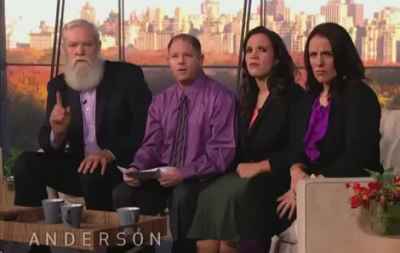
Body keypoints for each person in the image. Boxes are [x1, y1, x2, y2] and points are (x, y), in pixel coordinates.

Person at [237, 22, 384, 253]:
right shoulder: (312, 98)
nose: (319, 62)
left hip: (338, 184)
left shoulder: (358, 95)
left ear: (341, 55)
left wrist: (308, 186)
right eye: (313, 55)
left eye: (327, 54)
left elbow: (359, 157)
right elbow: (298, 148)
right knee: (259, 189)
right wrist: (296, 172)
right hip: (307, 180)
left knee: (261, 208)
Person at [13, 19, 152, 253]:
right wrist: (58, 132)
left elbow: (145, 126)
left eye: (86, 44)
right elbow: (47, 140)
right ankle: (36, 246)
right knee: (26, 164)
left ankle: (107, 247)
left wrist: (109, 154)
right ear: (65, 50)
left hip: (117, 165)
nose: (79, 51)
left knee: (93, 174)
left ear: (97, 47)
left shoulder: (126, 76)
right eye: (73, 45)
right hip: (77, 165)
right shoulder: (59, 86)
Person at [112, 34, 237, 253]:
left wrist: (183, 173)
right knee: (123, 192)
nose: (181, 61)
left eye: (187, 55)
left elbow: (221, 153)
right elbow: (151, 145)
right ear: (168, 61)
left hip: (203, 178)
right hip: (163, 177)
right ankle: (138, 249)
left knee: (183, 196)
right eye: (174, 56)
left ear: (201, 58)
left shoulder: (221, 97)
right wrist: (136, 168)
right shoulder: (160, 101)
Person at [188, 26, 305, 253]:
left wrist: (260, 167)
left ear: (277, 58)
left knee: (229, 197)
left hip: (274, 177)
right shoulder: (247, 97)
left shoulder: (294, 96)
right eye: (249, 50)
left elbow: (300, 149)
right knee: (208, 195)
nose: (253, 55)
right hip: (244, 173)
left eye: (262, 50)